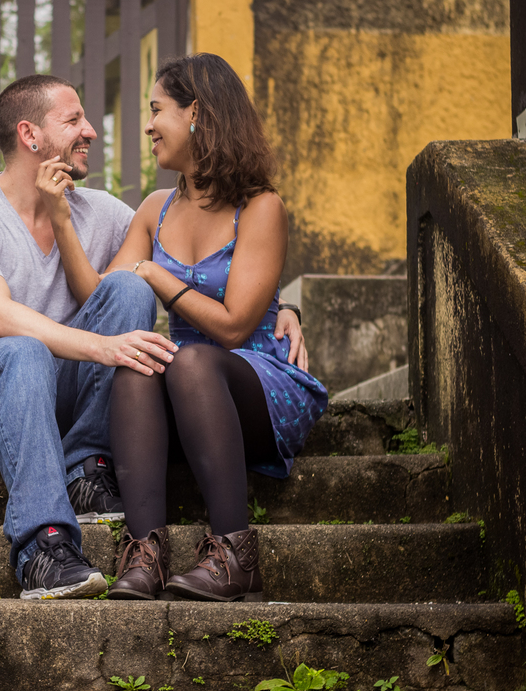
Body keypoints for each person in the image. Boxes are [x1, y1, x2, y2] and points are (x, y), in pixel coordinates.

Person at [0, 73, 305, 601]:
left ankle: (87, 466)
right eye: (74, 120)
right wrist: (101, 347)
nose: (92, 131)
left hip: (52, 395)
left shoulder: (102, 212)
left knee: (125, 288)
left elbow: (180, 263)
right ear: (31, 136)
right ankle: (43, 547)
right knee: (23, 350)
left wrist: (284, 307)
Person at [37, 54, 328, 602]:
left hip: (257, 382)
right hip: (184, 388)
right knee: (139, 355)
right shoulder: (155, 209)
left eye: (157, 110)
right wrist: (59, 216)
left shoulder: (261, 208)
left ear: (196, 113)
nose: (148, 125)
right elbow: (100, 299)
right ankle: (144, 554)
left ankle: (234, 553)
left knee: (190, 359)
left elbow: (236, 327)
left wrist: (156, 274)